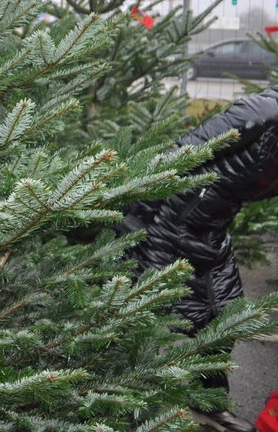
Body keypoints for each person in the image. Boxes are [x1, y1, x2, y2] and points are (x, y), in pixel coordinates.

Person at [119, 86, 278, 432]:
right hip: (168, 223)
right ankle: (113, 406)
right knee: (136, 314)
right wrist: (134, 218)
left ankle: (209, 403)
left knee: (225, 314)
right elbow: (182, 152)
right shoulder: (263, 111)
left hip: (211, 232)